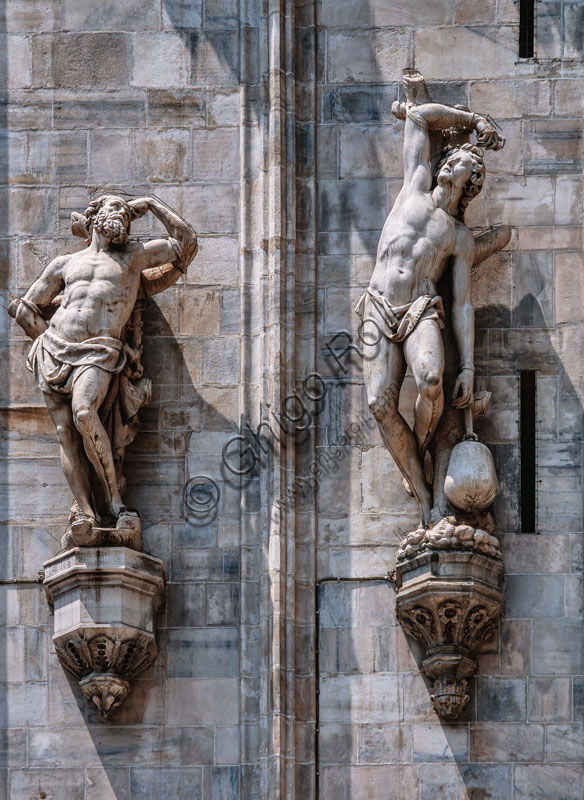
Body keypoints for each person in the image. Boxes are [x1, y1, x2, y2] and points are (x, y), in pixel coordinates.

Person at [357, 71, 505, 527]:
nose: (449, 162)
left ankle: (419, 446)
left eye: (460, 161)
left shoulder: (458, 236)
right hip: (379, 307)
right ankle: (423, 494)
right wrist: (471, 118)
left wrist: (469, 368)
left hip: (421, 308)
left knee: (430, 381)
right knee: (380, 404)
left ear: (471, 179)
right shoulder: (414, 186)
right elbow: (419, 117)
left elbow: (460, 302)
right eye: (452, 155)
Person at [12, 194, 198, 540]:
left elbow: (187, 244)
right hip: (53, 351)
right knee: (65, 435)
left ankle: (114, 502)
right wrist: (48, 340)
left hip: (100, 352)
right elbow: (24, 308)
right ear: (94, 216)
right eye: (116, 208)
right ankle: (83, 509)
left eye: (128, 214)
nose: (124, 216)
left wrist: (152, 204)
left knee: (84, 413)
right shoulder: (64, 263)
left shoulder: (135, 257)